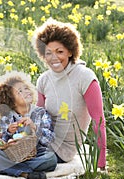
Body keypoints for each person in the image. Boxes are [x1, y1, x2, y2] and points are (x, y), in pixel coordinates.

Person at [32, 18, 106, 170]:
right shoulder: (44, 80)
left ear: (71, 51)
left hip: (63, 150)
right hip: (42, 141)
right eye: (48, 53)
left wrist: (101, 163)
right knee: (6, 148)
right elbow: (38, 116)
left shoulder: (85, 77)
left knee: (43, 160)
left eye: (60, 52)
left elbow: (99, 120)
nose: (54, 58)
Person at [0, 71, 57, 179]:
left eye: (26, 88)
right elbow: (3, 145)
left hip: (36, 155)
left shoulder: (41, 113)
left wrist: (34, 127)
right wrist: (8, 133)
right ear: (11, 100)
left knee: (51, 159)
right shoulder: (7, 117)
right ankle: (26, 174)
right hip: (13, 156)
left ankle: (9, 169)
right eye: (20, 91)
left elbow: (50, 139)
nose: (26, 92)